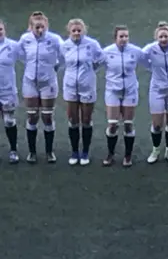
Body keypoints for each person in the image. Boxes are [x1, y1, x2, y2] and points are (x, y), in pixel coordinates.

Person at [18, 12, 64, 163]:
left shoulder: (55, 39)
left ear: (47, 26)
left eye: (42, 27)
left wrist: (56, 66)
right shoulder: (25, 40)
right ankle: (32, 152)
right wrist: (30, 67)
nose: (40, 30)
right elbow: (21, 55)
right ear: (30, 27)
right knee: (32, 116)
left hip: (48, 82)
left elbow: (64, 54)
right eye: (37, 27)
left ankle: (49, 152)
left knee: (47, 117)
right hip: (30, 82)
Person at [100, 25, 148, 167]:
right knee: (113, 124)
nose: (124, 39)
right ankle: (110, 154)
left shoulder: (135, 51)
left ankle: (128, 156)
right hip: (113, 91)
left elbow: (149, 61)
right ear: (115, 38)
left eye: (126, 36)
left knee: (128, 124)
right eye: (121, 36)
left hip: (130, 91)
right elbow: (95, 64)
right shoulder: (107, 52)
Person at [61, 19, 103, 166]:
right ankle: (74, 151)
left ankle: (85, 151)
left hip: (87, 86)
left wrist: (90, 72)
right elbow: (60, 62)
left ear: (84, 31)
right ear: (69, 32)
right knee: (73, 120)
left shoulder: (92, 44)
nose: (77, 33)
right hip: (70, 86)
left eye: (79, 30)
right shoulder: (64, 46)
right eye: (74, 31)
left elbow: (100, 60)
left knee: (86, 120)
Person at [142, 22, 168, 164]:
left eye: (166, 36)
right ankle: (155, 150)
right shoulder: (150, 49)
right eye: (161, 37)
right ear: (156, 37)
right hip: (157, 90)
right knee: (157, 124)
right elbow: (142, 59)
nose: (163, 39)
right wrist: (153, 69)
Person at [0, 20, 21, 163]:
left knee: (9, 121)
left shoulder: (13, 46)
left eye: (0, 29)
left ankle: (13, 150)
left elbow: (30, 58)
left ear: (4, 30)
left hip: (7, 91)